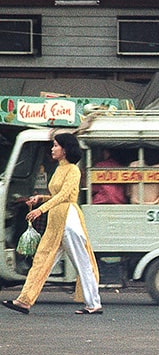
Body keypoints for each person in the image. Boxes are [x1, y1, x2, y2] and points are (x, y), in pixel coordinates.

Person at [3, 133, 103, 315]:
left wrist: (41, 210)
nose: (52, 149)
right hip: (55, 220)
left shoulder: (73, 170)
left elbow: (65, 195)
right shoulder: (59, 169)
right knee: (41, 260)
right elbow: (56, 195)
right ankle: (24, 300)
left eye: (56, 145)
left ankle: (93, 304)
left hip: (69, 220)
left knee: (82, 263)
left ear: (65, 150)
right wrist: (40, 198)